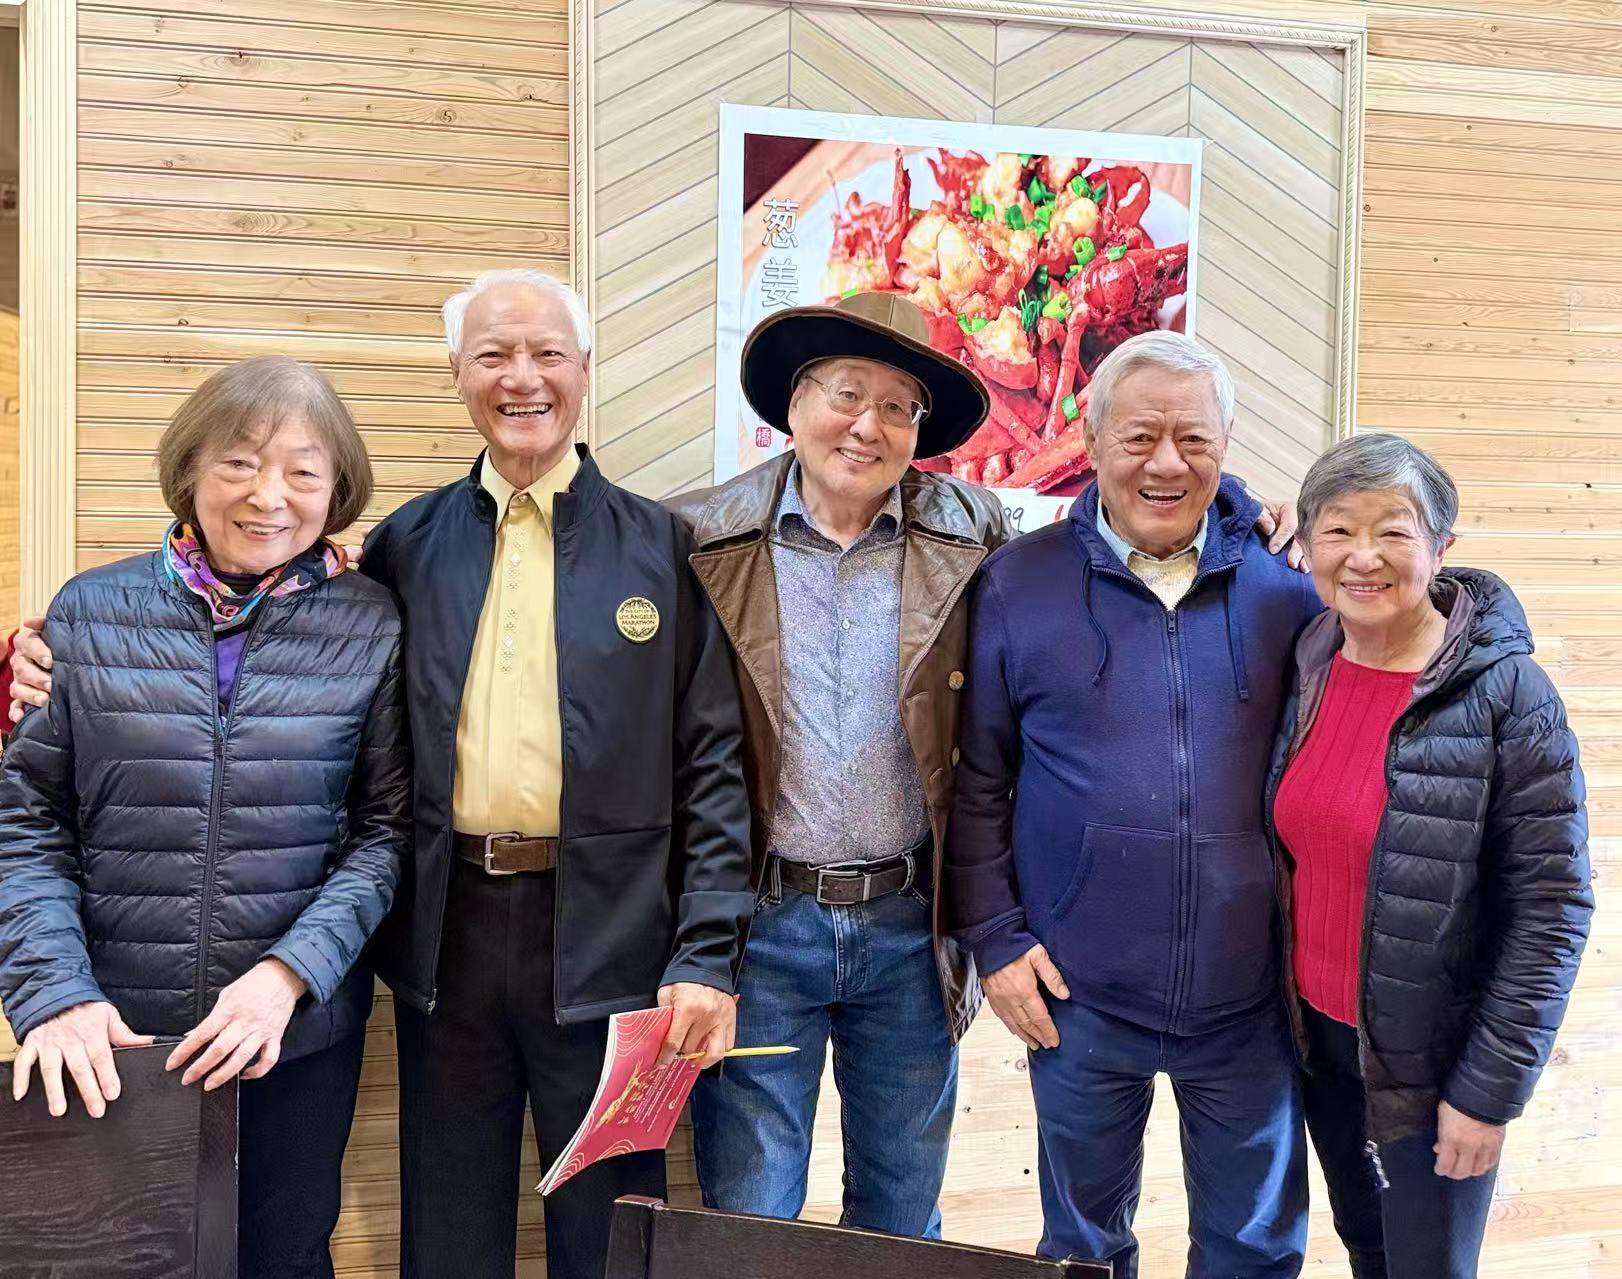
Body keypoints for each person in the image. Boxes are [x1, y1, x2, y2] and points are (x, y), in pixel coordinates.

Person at [6, 269, 754, 1279]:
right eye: (492, 354)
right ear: (457, 374)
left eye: (546, 354)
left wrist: (705, 950)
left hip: (615, 939)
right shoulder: (406, 546)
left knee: (610, 1228)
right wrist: (29, 661)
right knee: (445, 1229)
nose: (522, 377)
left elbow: (713, 766)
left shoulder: (665, 547)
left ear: (585, 369)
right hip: (444, 934)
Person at [0, 355, 409, 1279]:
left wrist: (288, 975)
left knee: (283, 1259)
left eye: (303, 472)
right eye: (239, 463)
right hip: (112, 1038)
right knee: (110, 1261)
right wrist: (52, 994)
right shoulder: (88, 612)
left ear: (337, 490)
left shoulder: (371, 624)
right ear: (190, 468)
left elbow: (384, 833)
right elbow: (27, 825)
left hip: (291, 1036)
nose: (270, 496)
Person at [946, 330, 1320, 1278]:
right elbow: (979, 778)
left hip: (1251, 997)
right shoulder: (1018, 582)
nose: (1166, 464)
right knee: (1082, 1250)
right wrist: (996, 940)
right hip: (1079, 994)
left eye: (1194, 440)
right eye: (1140, 436)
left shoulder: (1288, 585)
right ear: (1091, 440)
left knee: (1253, 1250)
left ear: (1225, 447)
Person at [671, 292, 1006, 1235]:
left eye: (898, 406)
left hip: (912, 927)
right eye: (847, 394)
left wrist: (1242, 513)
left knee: (902, 1218)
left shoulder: (975, 534)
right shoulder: (701, 537)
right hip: (761, 928)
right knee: (750, 1217)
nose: (868, 426)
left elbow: (1097, 560)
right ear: (795, 401)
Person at [1268, 432, 1592, 1279]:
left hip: (1436, 1066)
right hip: (1323, 1046)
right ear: (1307, 544)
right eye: (1338, 529)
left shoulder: (1508, 695)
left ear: (1442, 546)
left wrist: (1487, 1093)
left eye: (1393, 531)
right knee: (1368, 1247)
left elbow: (1554, 907)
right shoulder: (1311, 657)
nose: (1363, 556)